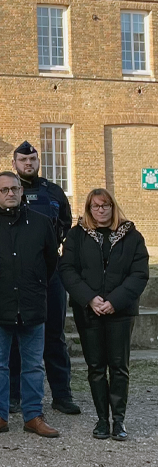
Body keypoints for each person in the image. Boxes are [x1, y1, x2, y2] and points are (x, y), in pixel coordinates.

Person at [0, 172, 61, 439]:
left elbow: (50, 261)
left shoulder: (41, 223)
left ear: (22, 192)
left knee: (33, 365)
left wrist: (33, 281)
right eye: (4, 190)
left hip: (32, 303)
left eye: (14, 189)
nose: (10, 193)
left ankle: (33, 415)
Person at [60, 189, 149, 441]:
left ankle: (118, 421)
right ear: (89, 209)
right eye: (96, 206)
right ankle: (102, 420)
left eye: (105, 205)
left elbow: (139, 274)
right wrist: (89, 298)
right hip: (89, 311)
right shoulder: (76, 236)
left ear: (113, 206)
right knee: (96, 367)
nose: (101, 210)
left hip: (120, 312)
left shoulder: (132, 236)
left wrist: (115, 301)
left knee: (119, 367)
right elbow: (67, 270)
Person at [9, 140, 79, 416]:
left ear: (38, 162)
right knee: (15, 335)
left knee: (54, 336)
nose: (28, 164)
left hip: (50, 273)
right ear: (14, 163)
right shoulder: (7, 191)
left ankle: (62, 395)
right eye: (23, 160)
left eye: (33, 160)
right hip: (18, 275)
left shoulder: (53, 192)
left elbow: (65, 222)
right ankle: (14, 396)